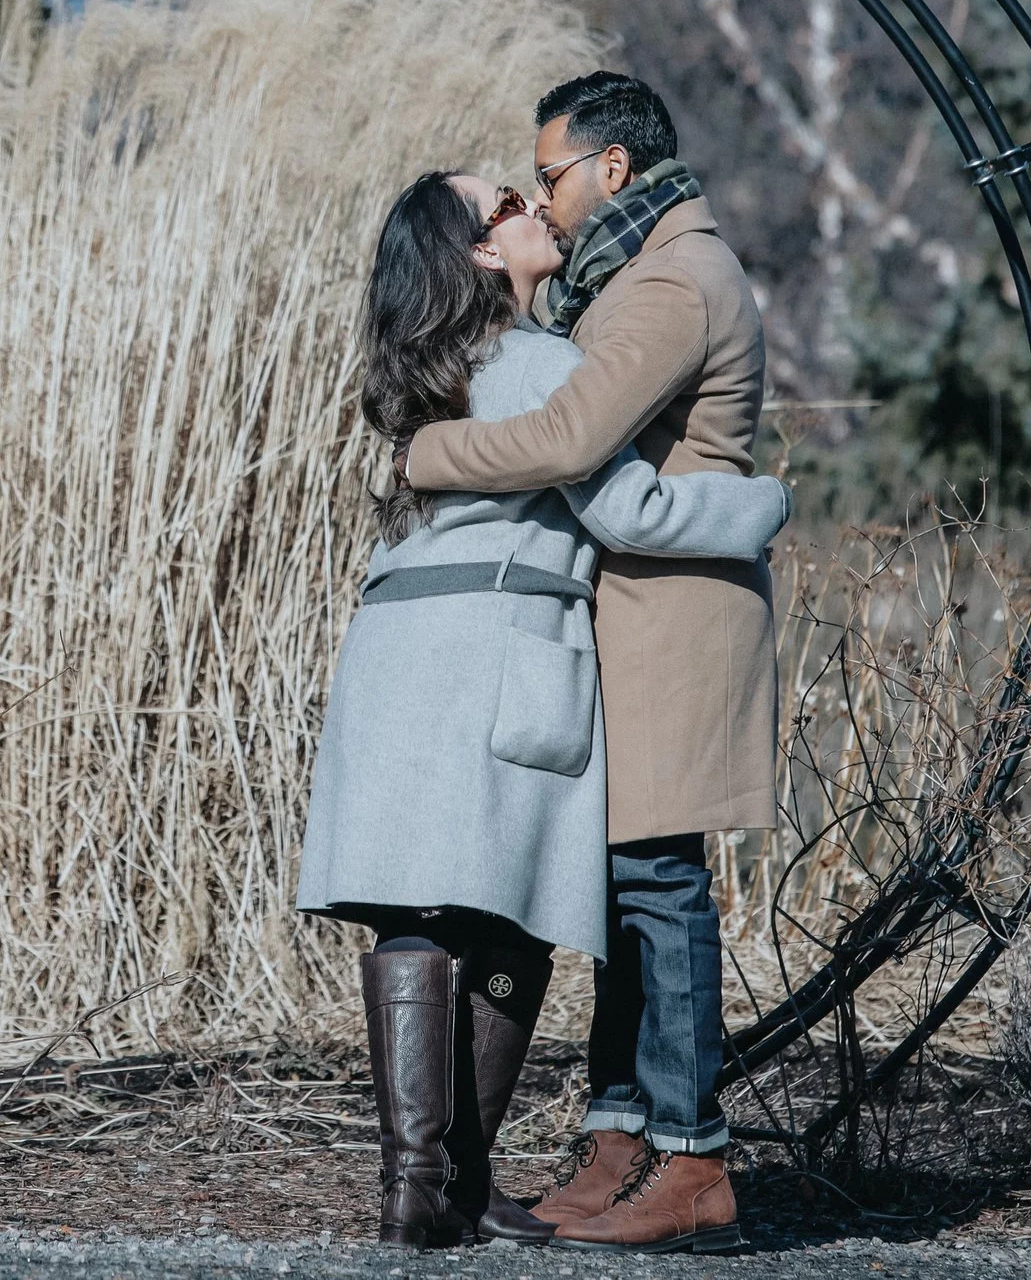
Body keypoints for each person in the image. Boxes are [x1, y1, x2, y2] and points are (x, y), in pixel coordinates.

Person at [297, 167, 788, 1250]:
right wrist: (763, 502)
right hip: (505, 642)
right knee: (514, 918)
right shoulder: (546, 364)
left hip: (394, 645)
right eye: (509, 202)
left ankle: (415, 1184)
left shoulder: (416, 376)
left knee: (410, 913)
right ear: (481, 253)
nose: (533, 206)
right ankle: (454, 1181)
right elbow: (630, 508)